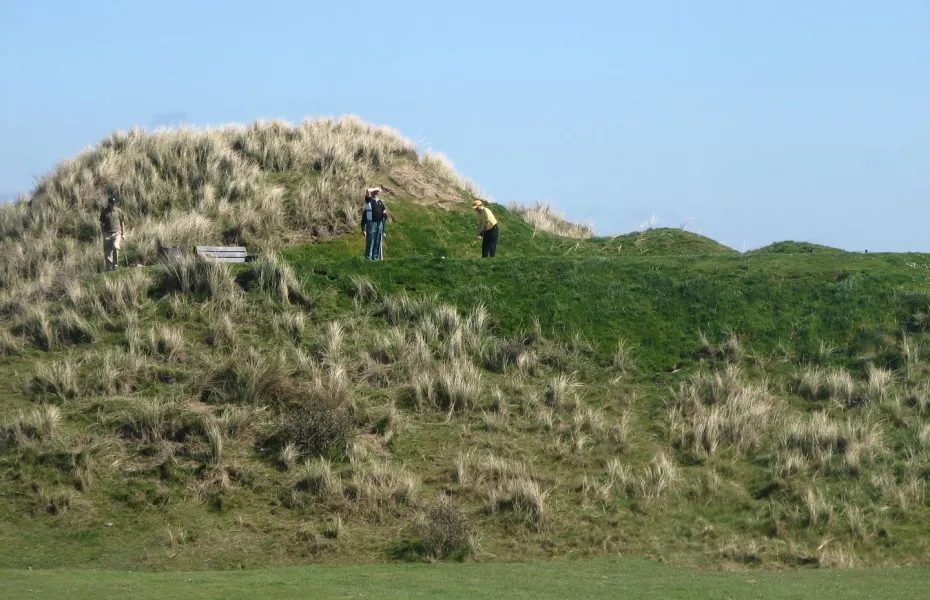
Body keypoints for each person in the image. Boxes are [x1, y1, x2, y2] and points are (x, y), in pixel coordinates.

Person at [99, 192, 126, 271]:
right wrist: (103, 232)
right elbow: (101, 223)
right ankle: (109, 269)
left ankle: (115, 265)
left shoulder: (118, 211)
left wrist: (123, 233)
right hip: (107, 234)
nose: (113, 205)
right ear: (109, 203)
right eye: (112, 203)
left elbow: (122, 221)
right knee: (107, 252)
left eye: (114, 203)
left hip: (116, 233)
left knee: (115, 247)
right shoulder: (104, 212)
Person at [361, 187, 388, 260]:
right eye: (375, 192)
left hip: (379, 224)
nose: (376, 193)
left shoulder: (379, 202)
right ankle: (368, 258)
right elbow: (367, 190)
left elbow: (384, 210)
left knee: (377, 241)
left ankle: (375, 258)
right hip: (371, 224)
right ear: (372, 192)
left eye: (377, 192)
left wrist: (384, 212)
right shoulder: (369, 200)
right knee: (370, 241)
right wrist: (376, 188)